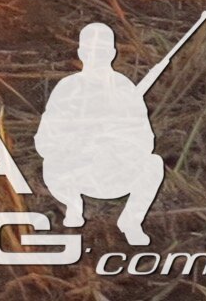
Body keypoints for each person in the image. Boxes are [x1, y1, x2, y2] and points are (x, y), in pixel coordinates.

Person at [37, 25, 169, 246]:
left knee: (153, 165)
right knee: (51, 164)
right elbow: (45, 139)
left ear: (112, 53)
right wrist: (78, 144)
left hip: (116, 170)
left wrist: (118, 144)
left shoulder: (124, 88)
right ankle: (73, 206)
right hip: (78, 171)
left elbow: (145, 139)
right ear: (80, 53)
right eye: (90, 50)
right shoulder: (67, 88)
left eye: (102, 51)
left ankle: (131, 221)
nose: (95, 56)